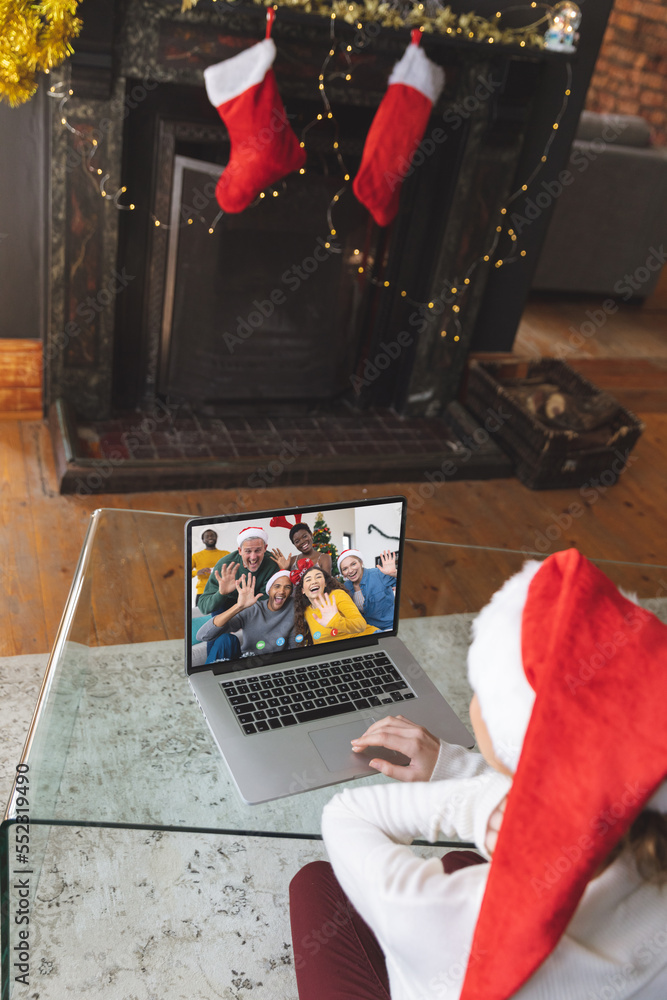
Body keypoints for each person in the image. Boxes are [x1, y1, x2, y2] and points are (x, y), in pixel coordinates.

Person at [289, 549, 667, 1000]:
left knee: (314, 881)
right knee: (456, 861)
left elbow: (346, 815)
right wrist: (452, 767)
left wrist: (488, 806)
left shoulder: (448, 913)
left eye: (479, 691)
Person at [196, 570, 297, 662]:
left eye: (287, 587)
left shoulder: (294, 608)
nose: (282, 591)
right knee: (226, 639)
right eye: (277, 586)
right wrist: (239, 606)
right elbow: (202, 636)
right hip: (246, 662)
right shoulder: (253, 609)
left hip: (275, 663)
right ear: (269, 590)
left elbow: (295, 649)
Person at [198, 525, 278, 616]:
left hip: (255, 608)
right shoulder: (224, 566)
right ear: (240, 550)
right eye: (248, 551)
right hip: (227, 609)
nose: (253, 557)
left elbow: (270, 602)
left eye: (258, 550)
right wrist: (221, 593)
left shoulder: (272, 564)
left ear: (265, 548)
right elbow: (203, 607)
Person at [293, 567, 378, 645]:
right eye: (308, 580)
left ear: (325, 584)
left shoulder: (337, 595)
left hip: (369, 640)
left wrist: (335, 621)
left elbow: (361, 625)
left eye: (318, 577)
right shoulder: (307, 611)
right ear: (303, 590)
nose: (314, 581)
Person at [337, 548, 397, 631]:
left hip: (389, 627)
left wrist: (395, 574)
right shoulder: (345, 587)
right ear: (342, 573)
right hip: (368, 631)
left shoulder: (378, 574)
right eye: (345, 569)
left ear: (361, 562)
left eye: (353, 564)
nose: (350, 571)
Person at [191, 529, 229, 607]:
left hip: (222, 590)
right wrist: (197, 572)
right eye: (207, 536)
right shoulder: (196, 556)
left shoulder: (226, 554)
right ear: (203, 540)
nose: (210, 538)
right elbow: (184, 574)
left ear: (216, 538)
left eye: (212, 536)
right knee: (202, 618)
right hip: (203, 591)